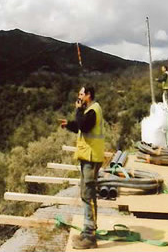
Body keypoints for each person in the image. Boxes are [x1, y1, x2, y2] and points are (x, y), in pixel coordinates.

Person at [60, 86, 104, 250]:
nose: (78, 97)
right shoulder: (90, 110)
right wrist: (69, 124)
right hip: (88, 157)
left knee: (89, 194)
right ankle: (87, 231)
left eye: (81, 94)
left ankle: (90, 236)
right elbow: (81, 126)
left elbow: (84, 126)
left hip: (91, 158)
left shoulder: (93, 110)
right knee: (86, 194)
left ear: (88, 95)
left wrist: (78, 110)